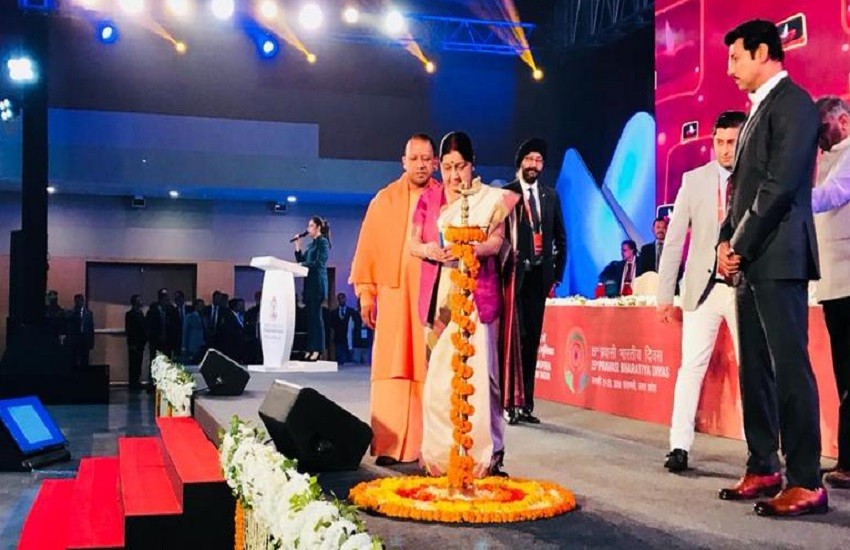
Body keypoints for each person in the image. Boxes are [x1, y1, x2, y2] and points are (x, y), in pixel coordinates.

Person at [716, 20, 826, 517]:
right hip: (749, 260)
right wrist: (724, 242)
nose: (729, 69)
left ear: (763, 53)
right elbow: (740, 191)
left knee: (789, 368)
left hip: (780, 257)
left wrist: (737, 244)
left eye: (736, 57)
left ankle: (806, 479)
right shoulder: (756, 110)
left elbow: (779, 187)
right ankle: (763, 464)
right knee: (756, 370)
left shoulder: (795, 104)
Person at [410, 131, 519, 477]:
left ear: (473, 165)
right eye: (447, 167)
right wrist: (431, 250)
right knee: (440, 376)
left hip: (479, 293)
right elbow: (413, 243)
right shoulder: (432, 201)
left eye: (460, 166)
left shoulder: (492, 200)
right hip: (443, 294)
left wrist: (470, 250)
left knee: (483, 377)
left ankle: (485, 457)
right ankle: (441, 455)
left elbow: (496, 243)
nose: (454, 175)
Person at [657, 110, 747, 472]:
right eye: (720, 142)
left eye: (732, 142)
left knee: (753, 370)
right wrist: (665, 296)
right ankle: (679, 446)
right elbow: (674, 238)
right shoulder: (694, 180)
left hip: (744, 288)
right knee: (691, 368)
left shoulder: (755, 177)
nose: (725, 150)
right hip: (701, 289)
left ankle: (761, 452)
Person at [349, 133, 440, 466]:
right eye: (414, 158)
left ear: (435, 162)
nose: (420, 165)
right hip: (392, 299)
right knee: (391, 369)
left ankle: (429, 447)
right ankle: (389, 444)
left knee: (429, 368)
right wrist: (366, 295)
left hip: (433, 299)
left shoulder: (445, 198)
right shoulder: (383, 200)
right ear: (403, 162)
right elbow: (367, 250)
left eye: (426, 158)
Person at [503, 138, 567, 424]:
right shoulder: (507, 194)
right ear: (520, 163)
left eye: (539, 160)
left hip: (538, 280)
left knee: (531, 344)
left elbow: (561, 238)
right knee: (513, 342)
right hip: (512, 279)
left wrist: (556, 275)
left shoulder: (550, 196)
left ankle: (526, 404)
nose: (534, 165)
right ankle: (509, 403)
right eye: (529, 159)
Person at [812, 96, 850, 489]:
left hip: (848, 282)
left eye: (822, 128)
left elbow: (832, 196)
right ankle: (847, 459)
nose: (818, 137)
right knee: (844, 375)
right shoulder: (829, 157)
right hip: (834, 284)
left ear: (843, 122)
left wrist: (787, 195)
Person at [294, 216, 330, 362]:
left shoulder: (323, 242)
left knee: (316, 317)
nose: (308, 229)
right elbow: (302, 261)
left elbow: (319, 262)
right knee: (310, 318)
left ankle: (318, 349)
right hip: (309, 285)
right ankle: (310, 347)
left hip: (317, 284)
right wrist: (298, 246)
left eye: (311, 226)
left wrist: (303, 265)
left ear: (318, 227)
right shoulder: (311, 245)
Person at [125, 294, 147, 389]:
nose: (141, 302)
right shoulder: (130, 314)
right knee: (133, 363)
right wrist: (131, 343)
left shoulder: (140, 313)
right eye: (139, 300)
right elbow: (129, 330)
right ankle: (133, 382)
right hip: (134, 343)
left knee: (138, 363)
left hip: (140, 342)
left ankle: (137, 381)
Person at [68, 294, 94, 367]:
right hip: (75, 340)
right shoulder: (71, 313)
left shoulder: (88, 313)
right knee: (74, 360)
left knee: (85, 360)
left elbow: (91, 328)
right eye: (77, 301)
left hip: (85, 340)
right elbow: (69, 326)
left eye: (80, 300)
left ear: (83, 301)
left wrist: (91, 342)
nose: (79, 302)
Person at [330, 293, 355, 365]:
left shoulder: (351, 311)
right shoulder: (334, 312)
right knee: (340, 359)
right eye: (340, 299)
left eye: (343, 298)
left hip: (349, 339)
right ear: (338, 300)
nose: (341, 300)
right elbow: (332, 325)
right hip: (338, 339)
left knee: (349, 360)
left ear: (345, 299)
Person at [182, 299, 206, 363]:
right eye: (200, 305)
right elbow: (185, 333)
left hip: (203, 347)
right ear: (195, 306)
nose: (201, 307)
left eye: (202, 305)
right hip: (192, 347)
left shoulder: (205, 317)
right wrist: (184, 347)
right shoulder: (189, 317)